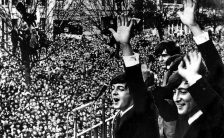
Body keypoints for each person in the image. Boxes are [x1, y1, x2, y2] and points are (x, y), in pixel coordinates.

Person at [109, 14, 160, 138]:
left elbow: (135, 79)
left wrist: (125, 46)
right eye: (113, 89)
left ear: (133, 92)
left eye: (121, 88)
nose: (114, 93)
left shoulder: (141, 111)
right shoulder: (120, 116)